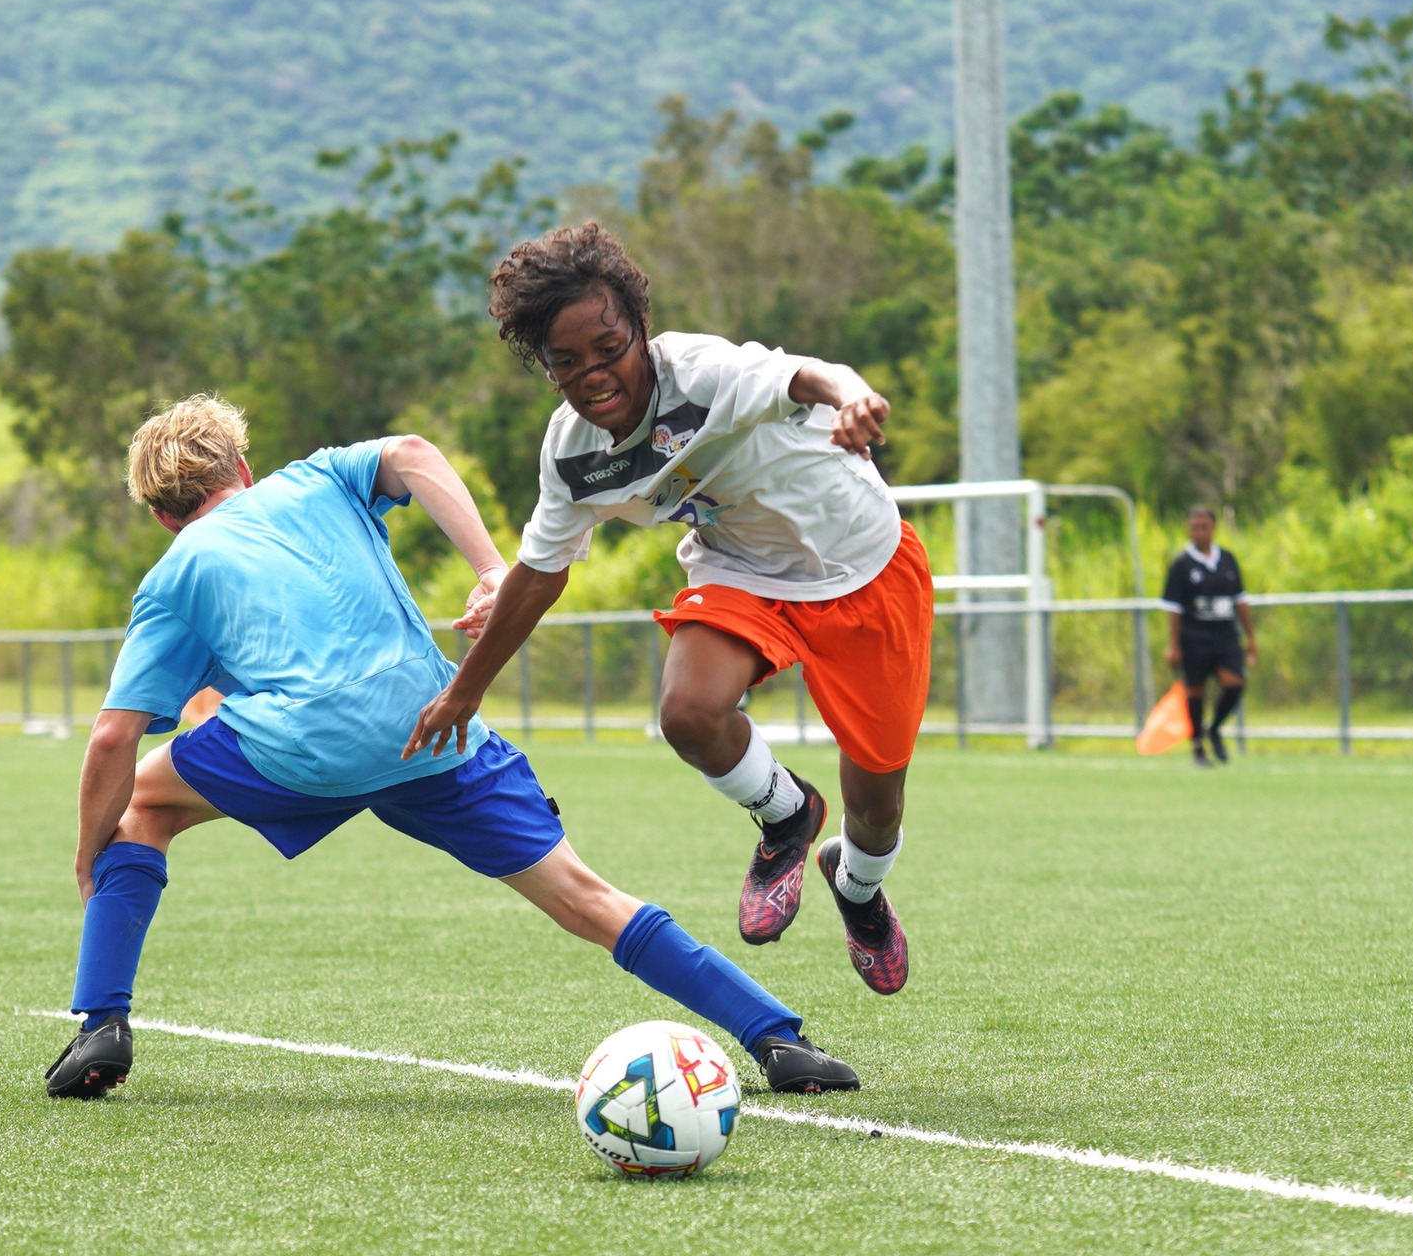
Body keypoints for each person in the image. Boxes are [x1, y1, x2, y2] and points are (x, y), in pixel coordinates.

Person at [45, 395, 859, 1100]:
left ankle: (101, 1022)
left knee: (141, 808)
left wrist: (89, 853)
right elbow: (412, 452)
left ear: (162, 515)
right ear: (244, 468)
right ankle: (776, 1038)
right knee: (583, 897)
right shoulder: (319, 478)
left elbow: (114, 735)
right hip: (433, 726)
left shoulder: (173, 574)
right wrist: (493, 570)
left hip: (301, 751)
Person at [404, 222, 932, 997]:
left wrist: (853, 398)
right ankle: (787, 814)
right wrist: (464, 690)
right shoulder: (573, 453)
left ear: (641, 329)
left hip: (865, 569)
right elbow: (540, 573)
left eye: (608, 347)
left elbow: (810, 374)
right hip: (741, 572)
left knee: (878, 806)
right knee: (688, 712)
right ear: (545, 367)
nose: (593, 375)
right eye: (566, 362)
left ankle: (856, 889)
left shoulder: (703, 374)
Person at [1161, 506, 1257, 767]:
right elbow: (1174, 609)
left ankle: (1214, 728)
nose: (1199, 532)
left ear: (1213, 528)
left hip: (1225, 636)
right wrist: (1173, 645)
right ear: (1189, 529)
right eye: (1195, 527)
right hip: (1194, 637)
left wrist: (1251, 638)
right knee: (1195, 691)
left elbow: (1240, 600)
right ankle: (1197, 747)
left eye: (1204, 527)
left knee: (1235, 683)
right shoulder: (1181, 564)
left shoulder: (1227, 559)